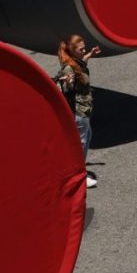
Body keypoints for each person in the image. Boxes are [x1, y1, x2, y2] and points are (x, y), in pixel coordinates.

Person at [55, 34, 102, 188]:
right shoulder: (69, 68)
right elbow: (68, 86)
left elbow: (81, 66)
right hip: (79, 110)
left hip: (84, 109)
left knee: (87, 137)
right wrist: (68, 82)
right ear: (72, 50)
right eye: (81, 49)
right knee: (81, 143)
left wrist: (90, 55)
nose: (84, 50)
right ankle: (79, 176)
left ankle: (75, 170)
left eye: (84, 48)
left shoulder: (75, 62)